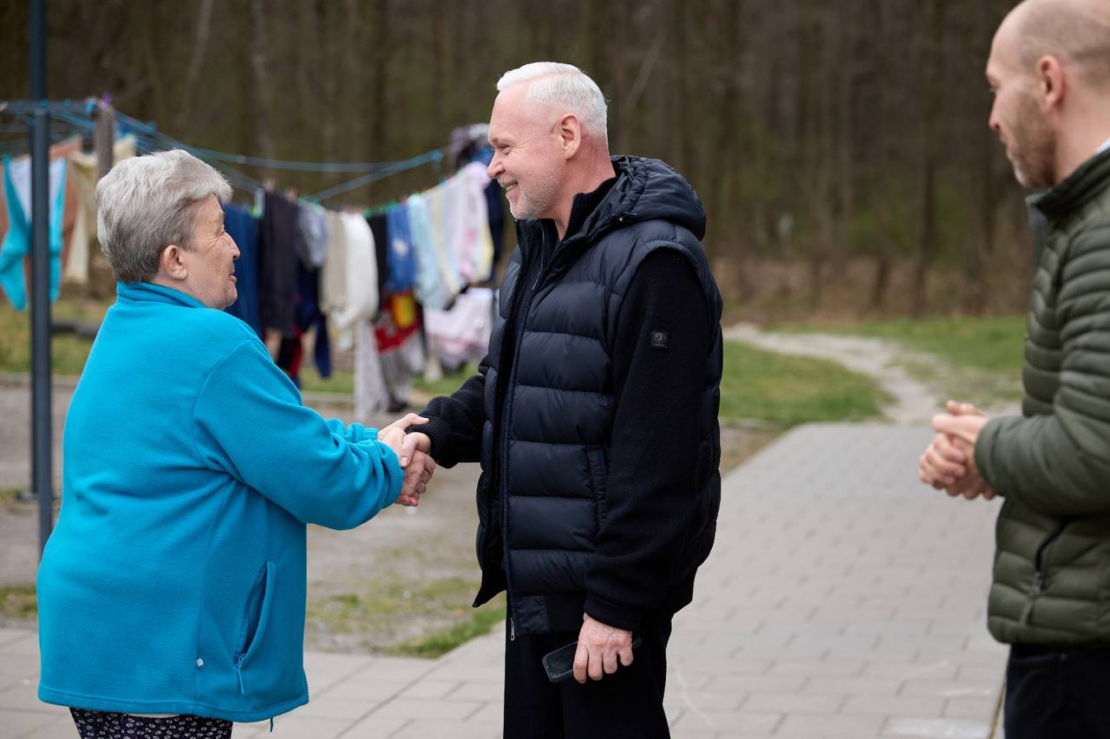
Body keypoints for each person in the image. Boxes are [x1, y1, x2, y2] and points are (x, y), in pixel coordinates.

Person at [36, 150, 434, 738]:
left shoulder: (124, 327)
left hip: (100, 632)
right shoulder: (213, 342)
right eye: (219, 233)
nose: (236, 247)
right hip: (162, 647)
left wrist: (372, 441)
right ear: (174, 260)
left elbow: (275, 435)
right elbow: (321, 480)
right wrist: (388, 462)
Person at [386, 62, 723, 738]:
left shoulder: (657, 263)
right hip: (539, 589)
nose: (491, 168)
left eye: (504, 148)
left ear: (568, 134)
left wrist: (617, 603)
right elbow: (510, 380)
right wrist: (434, 430)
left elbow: (658, 453)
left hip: (601, 604)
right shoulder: (542, 244)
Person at [917, 1, 1110, 736]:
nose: (993, 117)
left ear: (1050, 80)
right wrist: (1000, 445)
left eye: (998, 87)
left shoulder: (1101, 232)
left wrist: (984, 445)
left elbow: (1095, 453)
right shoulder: (1083, 219)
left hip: (1083, 654)